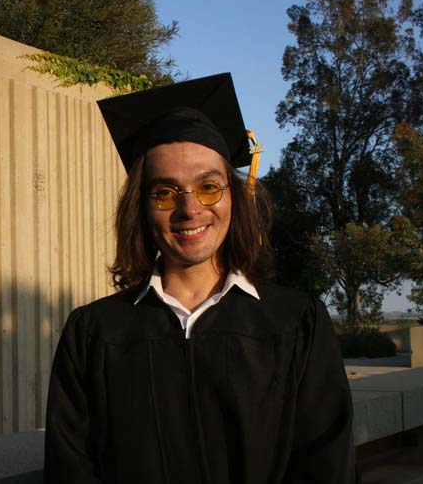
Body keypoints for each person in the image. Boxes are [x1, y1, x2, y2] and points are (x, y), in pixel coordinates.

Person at [43, 73, 355, 484]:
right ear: (141, 207)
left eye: (208, 187)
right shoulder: (93, 334)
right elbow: (71, 472)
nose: (189, 209)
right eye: (165, 193)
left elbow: (326, 468)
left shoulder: (298, 323)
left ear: (232, 196)